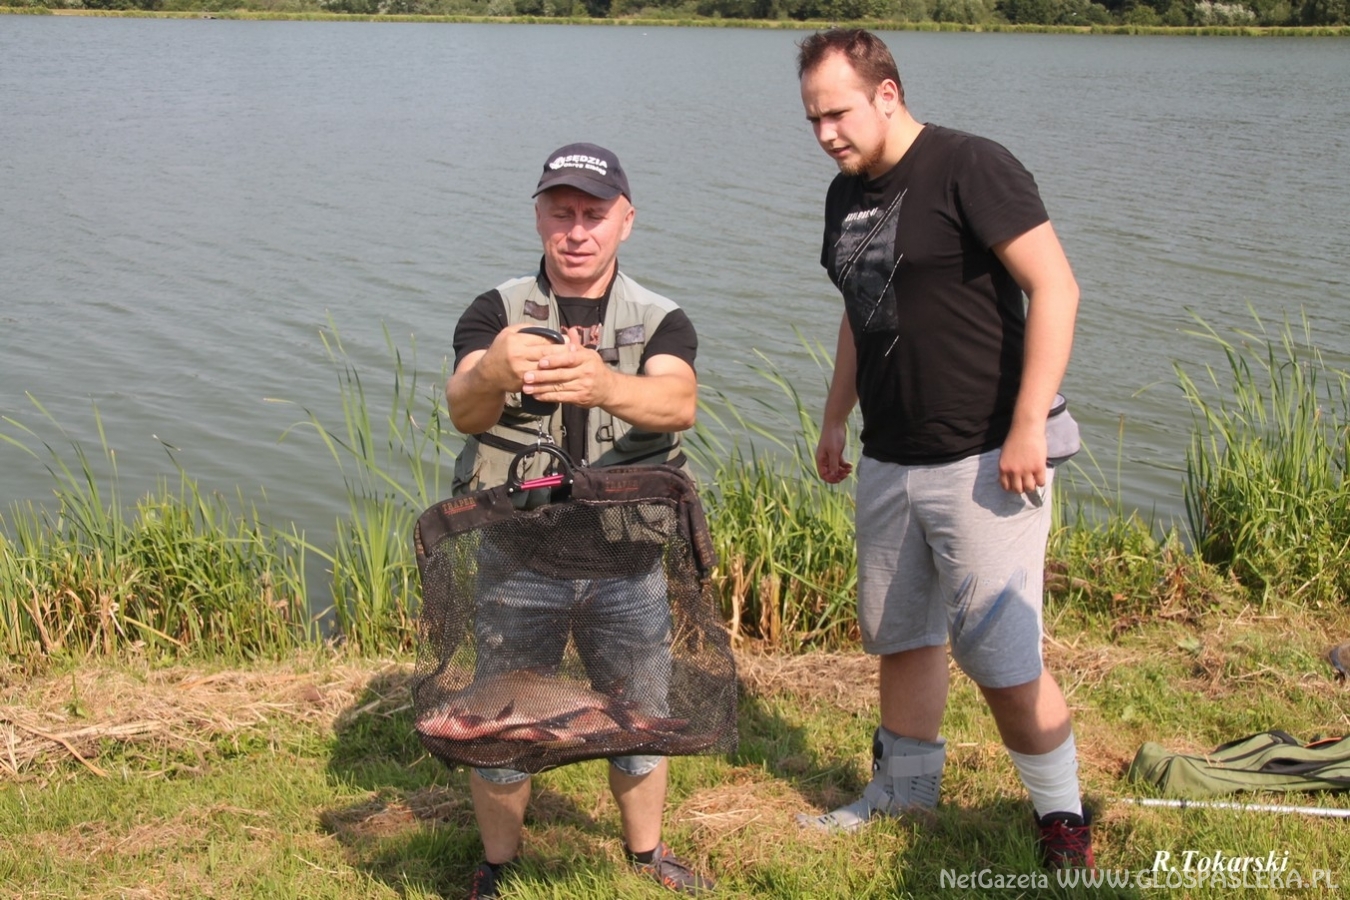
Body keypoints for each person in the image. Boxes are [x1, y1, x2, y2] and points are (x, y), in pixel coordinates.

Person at [792, 30, 1093, 869]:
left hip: (987, 454)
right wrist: (835, 416)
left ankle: (1062, 818)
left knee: (1001, 655)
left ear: (887, 94)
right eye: (813, 119)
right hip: (890, 454)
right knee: (902, 635)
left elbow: (1055, 286)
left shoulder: (971, 165)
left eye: (838, 113)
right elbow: (859, 307)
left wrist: (1028, 423)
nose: (826, 133)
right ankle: (903, 795)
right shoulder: (844, 195)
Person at [445, 142, 714, 898]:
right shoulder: (495, 312)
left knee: (640, 716)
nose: (576, 231)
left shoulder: (661, 319)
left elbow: (678, 401)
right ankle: (498, 867)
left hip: (627, 562)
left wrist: (602, 385)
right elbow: (463, 406)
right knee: (502, 718)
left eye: (594, 214)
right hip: (519, 556)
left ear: (626, 220)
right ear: (538, 218)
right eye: (560, 213)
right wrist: (493, 370)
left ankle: (646, 856)